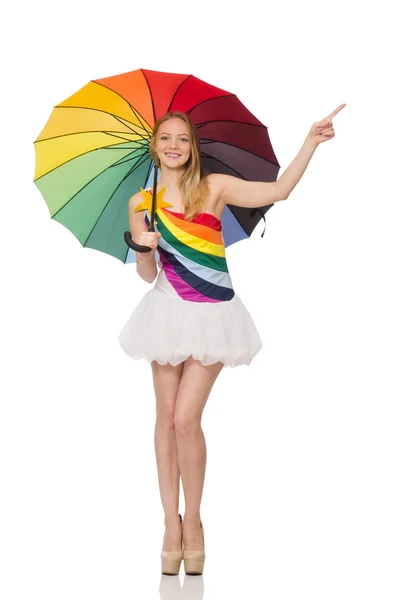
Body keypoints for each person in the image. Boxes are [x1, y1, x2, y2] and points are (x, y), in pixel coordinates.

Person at [118, 104, 345, 575]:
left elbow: (279, 191)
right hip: (165, 309)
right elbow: (145, 275)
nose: (174, 146)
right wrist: (145, 249)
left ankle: (195, 521)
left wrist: (310, 141)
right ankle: (169, 523)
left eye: (182, 139)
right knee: (163, 418)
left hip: (214, 314)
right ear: (153, 146)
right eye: (166, 139)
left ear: (192, 146)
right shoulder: (142, 202)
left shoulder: (214, 187)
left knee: (185, 419)